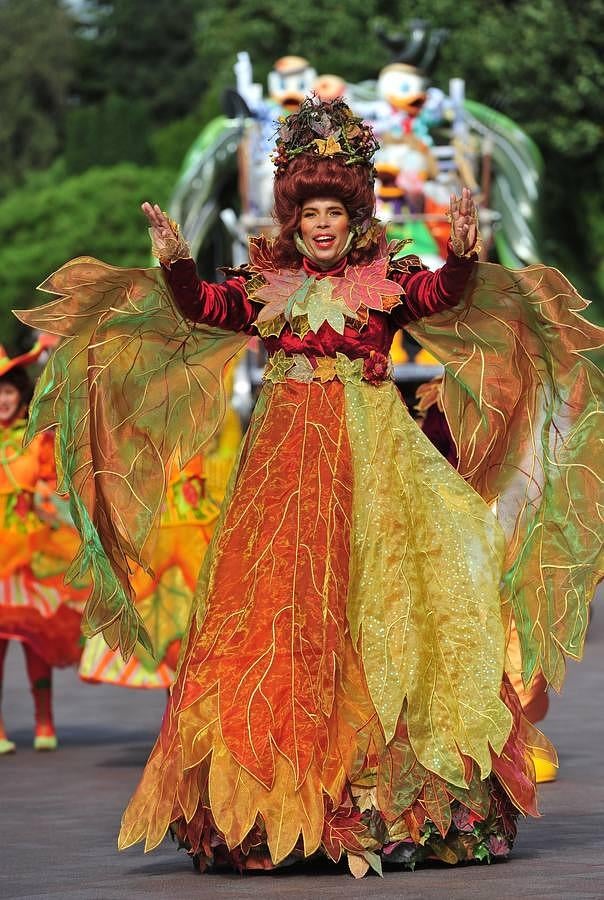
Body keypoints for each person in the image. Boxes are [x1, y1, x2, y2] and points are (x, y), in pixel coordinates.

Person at [17, 97, 602, 876]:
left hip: (374, 469)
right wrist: (176, 265)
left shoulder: (385, 274)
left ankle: (380, 802)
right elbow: (208, 311)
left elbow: (437, 300)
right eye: (310, 211)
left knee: (383, 609)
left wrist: (461, 259)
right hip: (283, 473)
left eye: (334, 210)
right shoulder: (268, 279)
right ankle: (271, 803)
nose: (322, 224)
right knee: (276, 613)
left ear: (352, 212)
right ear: (293, 217)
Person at [0, 341, 88, 753]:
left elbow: (53, 487)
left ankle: (44, 720)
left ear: (19, 394)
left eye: (9, 391)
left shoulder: (36, 440)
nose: (3, 400)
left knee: (36, 642)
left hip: (32, 558)